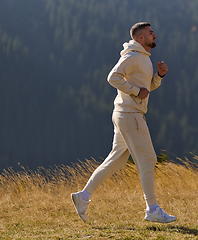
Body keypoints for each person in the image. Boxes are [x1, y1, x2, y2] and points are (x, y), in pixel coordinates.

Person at [71, 22, 177, 224]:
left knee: (116, 160)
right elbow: (113, 77)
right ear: (140, 38)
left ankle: (82, 197)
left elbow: (145, 89)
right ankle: (152, 209)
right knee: (148, 160)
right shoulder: (133, 56)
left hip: (125, 113)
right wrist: (136, 92)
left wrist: (159, 76)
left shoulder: (142, 57)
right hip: (130, 115)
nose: (154, 34)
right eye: (150, 32)